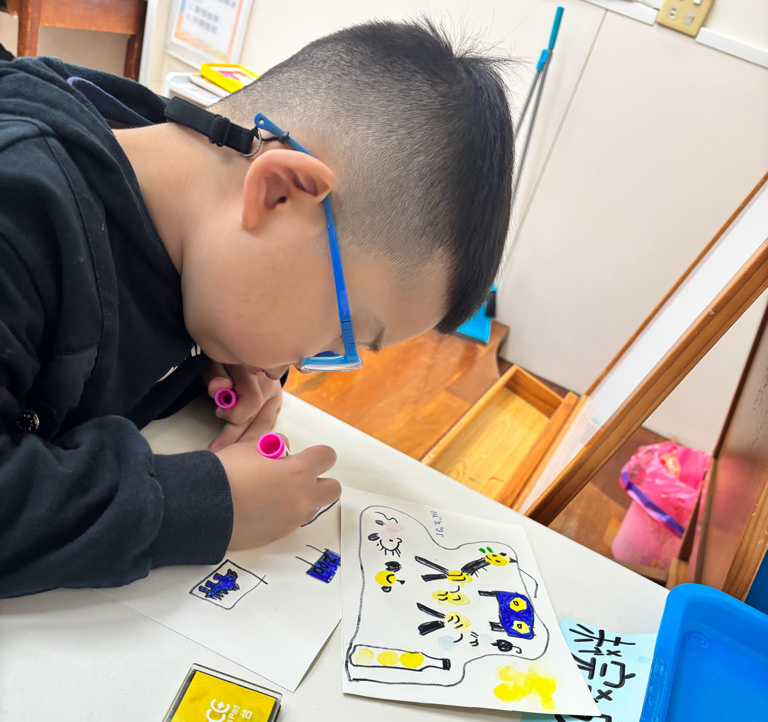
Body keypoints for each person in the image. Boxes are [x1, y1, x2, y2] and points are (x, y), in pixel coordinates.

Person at [0, 20, 514, 598]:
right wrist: (191, 505)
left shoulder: (190, 233)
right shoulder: (21, 213)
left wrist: (207, 361)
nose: (307, 362)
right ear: (279, 192)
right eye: (340, 334)